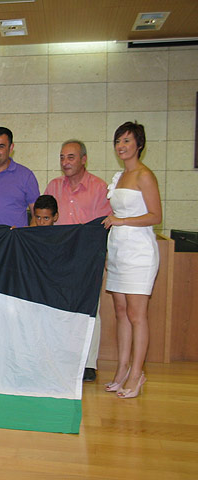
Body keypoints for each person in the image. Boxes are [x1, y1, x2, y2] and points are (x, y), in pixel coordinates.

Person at [44, 140, 112, 382]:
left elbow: (103, 227)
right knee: (58, 308)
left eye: (71, 157)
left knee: (90, 308)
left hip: (87, 258)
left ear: (84, 159)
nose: (65, 162)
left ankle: (88, 364)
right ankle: (61, 359)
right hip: (59, 258)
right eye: (62, 157)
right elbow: (45, 222)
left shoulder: (99, 188)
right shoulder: (53, 186)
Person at [102, 122, 162, 399]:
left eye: (127, 141)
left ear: (139, 144)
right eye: (118, 141)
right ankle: (122, 369)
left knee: (138, 315)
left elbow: (155, 216)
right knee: (121, 313)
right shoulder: (120, 176)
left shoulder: (144, 175)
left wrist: (121, 220)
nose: (122, 146)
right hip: (118, 250)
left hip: (139, 252)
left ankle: (137, 374)